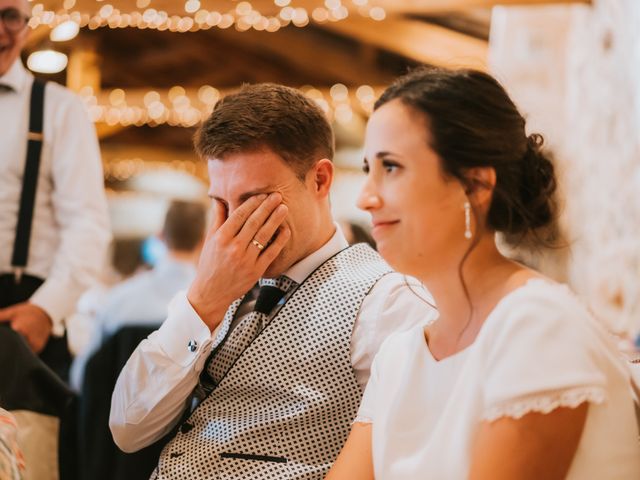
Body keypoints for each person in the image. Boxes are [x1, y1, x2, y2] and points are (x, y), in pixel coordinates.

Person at [109, 83, 437, 479]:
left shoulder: (388, 301)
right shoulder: (216, 287)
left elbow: (418, 457)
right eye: (222, 204)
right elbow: (128, 428)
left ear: (319, 180)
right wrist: (202, 303)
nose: (234, 224)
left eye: (254, 200)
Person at [326, 67, 640, 479]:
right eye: (368, 169)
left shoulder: (537, 324)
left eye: (392, 168)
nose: (366, 198)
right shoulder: (400, 355)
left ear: (475, 185)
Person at [0, 0, 111, 381]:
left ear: (28, 24)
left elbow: (88, 224)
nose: (0, 29)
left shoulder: (60, 109)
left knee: (27, 441)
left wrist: (45, 310)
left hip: (21, 317)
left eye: (9, 16)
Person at [69, 200, 207, 391]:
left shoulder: (118, 299)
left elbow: (82, 377)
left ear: (161, 236)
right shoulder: (216, 307)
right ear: (203, 240)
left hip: (115, 414)